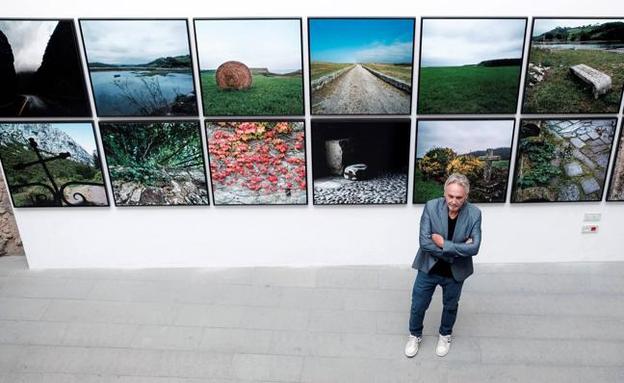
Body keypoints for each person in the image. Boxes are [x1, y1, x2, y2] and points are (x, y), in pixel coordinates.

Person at [405, 173, 482, 358]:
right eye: (450, 196)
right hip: (429, 267)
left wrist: (442, 244)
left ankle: (445, 335)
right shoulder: (431, 207)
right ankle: (414, 335)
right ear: (444, 192)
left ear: (466, 196)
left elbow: (475, 248)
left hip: (455, 272)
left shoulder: (475, 213)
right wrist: (457, 248)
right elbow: (424, 243)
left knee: (450, 306)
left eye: (459, 197)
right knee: (418, 305)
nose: (454, 201)